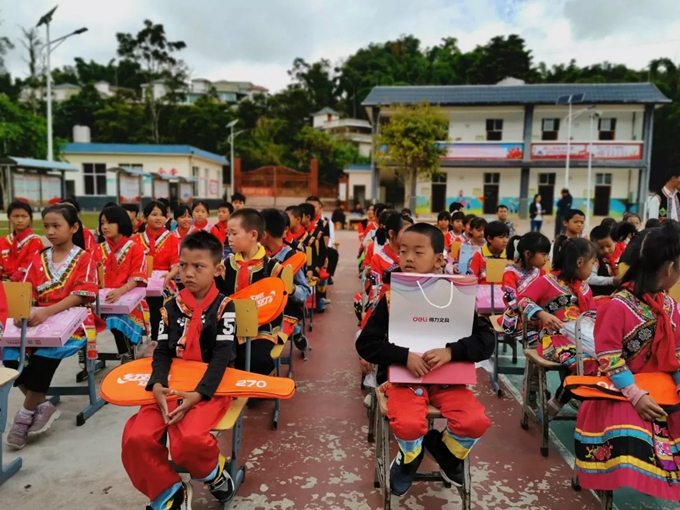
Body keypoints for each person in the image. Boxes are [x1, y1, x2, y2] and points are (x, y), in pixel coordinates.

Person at [355, 223, 493, 496]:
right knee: (408, 424)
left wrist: (451, 352)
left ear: (439, 259)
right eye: (403, 251)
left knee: (475, 422)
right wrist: (403, 356)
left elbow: (486, 341)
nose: (408, 258)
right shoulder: (390, 299)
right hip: (403, 381)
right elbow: (366, 344)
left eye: (418, 252)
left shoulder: (457, 295)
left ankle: (444, 451)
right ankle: (409, 459)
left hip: (448, 381)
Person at [121, 231, 237, 510]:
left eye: (198, 266)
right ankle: (168, 492)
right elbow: (162, 351)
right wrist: (157, 384)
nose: (188, 273)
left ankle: (213, 471)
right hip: (170, 384)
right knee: (136, 438)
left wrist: (198, 395)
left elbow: (222, 358)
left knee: (189, 440)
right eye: (183, 265)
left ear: (217, 269)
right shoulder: (170, 307)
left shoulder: (225, 306)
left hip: (209, 388)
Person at [575, 220, 680, 501]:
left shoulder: (671, 306)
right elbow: (610, 359)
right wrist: (636, 395)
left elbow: (678, 353)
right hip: (619, 390)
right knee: (631, 431)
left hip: (663, 387)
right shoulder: (617, 306)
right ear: (670, 268)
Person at [4, 204, 102, 449]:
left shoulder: (85, 258)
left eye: (56, 226)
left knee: (43, 356)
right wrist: (21, 311)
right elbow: (28, 290)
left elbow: (83, 295)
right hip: (39, 320)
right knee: (9, 355)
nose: (50, 232)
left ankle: (25, 414)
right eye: (46, 226)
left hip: (74, 322)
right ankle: (42, 404)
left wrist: (48, 311)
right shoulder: (39, 258)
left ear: (74, 227)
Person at [518, 236, 598, 419]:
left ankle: (563, 399)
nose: (593, 268)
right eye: (592, 263)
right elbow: (522, 301)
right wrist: (542, 314)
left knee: (605, 362)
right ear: (580, 262)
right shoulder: (547, 281)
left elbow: (592, 315)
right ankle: (559, 402)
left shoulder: (585, 288)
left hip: (581, 338)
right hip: (554, 339)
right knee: (585, 363)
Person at [215, 208, 282, 375]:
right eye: (228, 234)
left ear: (253, 235)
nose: (229, 239)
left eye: (233, 233)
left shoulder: (273, 267)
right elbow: (220, 296)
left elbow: (277, 304)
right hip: (231, 326)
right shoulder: (225, 266)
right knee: (222, 355)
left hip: (262, 328)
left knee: (257, 360)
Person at [95, 205, 150, 361]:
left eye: (109, 222)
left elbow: (138, 277)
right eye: (102, 223)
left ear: (121, 223)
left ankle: (126, 352)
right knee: (81, 317)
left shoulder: (135, 248)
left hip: (129, 298)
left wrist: (120, 291)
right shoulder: (97, 249)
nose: (105, 227)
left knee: (115, 316)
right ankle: (87, 356)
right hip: (101, 299)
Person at [260, 208, 312, 350]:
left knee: (266, 341)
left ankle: (296, 330)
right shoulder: (258, 254)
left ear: (264, 233)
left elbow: (305, 291)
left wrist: (292, 289)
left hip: (286, 309)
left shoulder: (293, 256)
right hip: (262, 306)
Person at [132, 201, 180, 345]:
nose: (158, 218)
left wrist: (169, 275)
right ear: (145, 217)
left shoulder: (172, 239)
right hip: (140, 279)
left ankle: (157, 338)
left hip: (164, 279)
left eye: (162, 215)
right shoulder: (135, 239)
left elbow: (176, 264)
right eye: (154, 214)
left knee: (159, 300)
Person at [357, 212, 413, 328]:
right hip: (387, 308)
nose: (411, 237)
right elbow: (376, 291)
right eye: (406, 233)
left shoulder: (414, 257)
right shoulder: (377, 259)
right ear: (391, 233)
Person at [500, 232, 550, 344]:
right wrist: (532, 314)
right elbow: (511, 300)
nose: (546, 259)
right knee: (536, 341)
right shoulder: (510, 272)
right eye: (543, 254)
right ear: (528, 254)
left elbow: (546, 296)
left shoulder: (541, 272)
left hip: (538, 314)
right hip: (518, 315)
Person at [0, 201, 44, 282]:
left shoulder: (34, 241)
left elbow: (29, 266)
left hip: (24, 282)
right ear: (9, 217)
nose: (20, 220)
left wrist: (11, 280)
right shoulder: (3, 241)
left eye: (24, 216)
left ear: (30, 218)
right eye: (15, 216)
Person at [587, 225, 619, 297]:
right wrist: (612, 280)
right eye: (601, 248)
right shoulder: (594, 259)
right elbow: (590, 278)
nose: (606, 250)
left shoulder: (622, 255)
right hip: (599, 295)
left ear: (615, 241)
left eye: (609, 246)